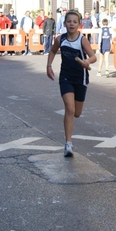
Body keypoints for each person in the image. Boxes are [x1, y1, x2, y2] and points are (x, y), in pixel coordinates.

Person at [46, 10, 97, 157]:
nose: (71, 24)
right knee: (69, 109)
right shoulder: (60, 39)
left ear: (79, 24)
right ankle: (68, 143)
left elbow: (93, 57)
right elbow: (53, 51)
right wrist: (49, 66)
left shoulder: (82, 40)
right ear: (64, 24)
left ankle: (69, 140)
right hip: (66, 77)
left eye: (75, 22)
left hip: (80, 78)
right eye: (69, 21)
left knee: (77, 113)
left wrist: (87, 61)